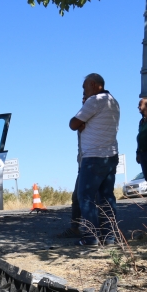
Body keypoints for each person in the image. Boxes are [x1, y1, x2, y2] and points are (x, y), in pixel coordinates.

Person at [69, 73, 120, 246]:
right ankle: (109, 237)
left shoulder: (95, 101)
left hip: (93, 157)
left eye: (84, 87)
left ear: (93, 84)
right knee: (106, 198)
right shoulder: (113, 101)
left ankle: (91, 237)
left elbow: (73, 124)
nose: (84, 91)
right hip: (111, 156)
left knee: (85, 196)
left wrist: (82, 123)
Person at [57, 96, 88, 239]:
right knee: (77, 197)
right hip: (83, 163)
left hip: (92, 161)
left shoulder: (95, 113)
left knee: (88, 197)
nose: (83, 98)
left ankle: (96, 231)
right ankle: (76, 228)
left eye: (85, 93)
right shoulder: (84, 114)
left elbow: (74, 124)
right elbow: (74, 124)